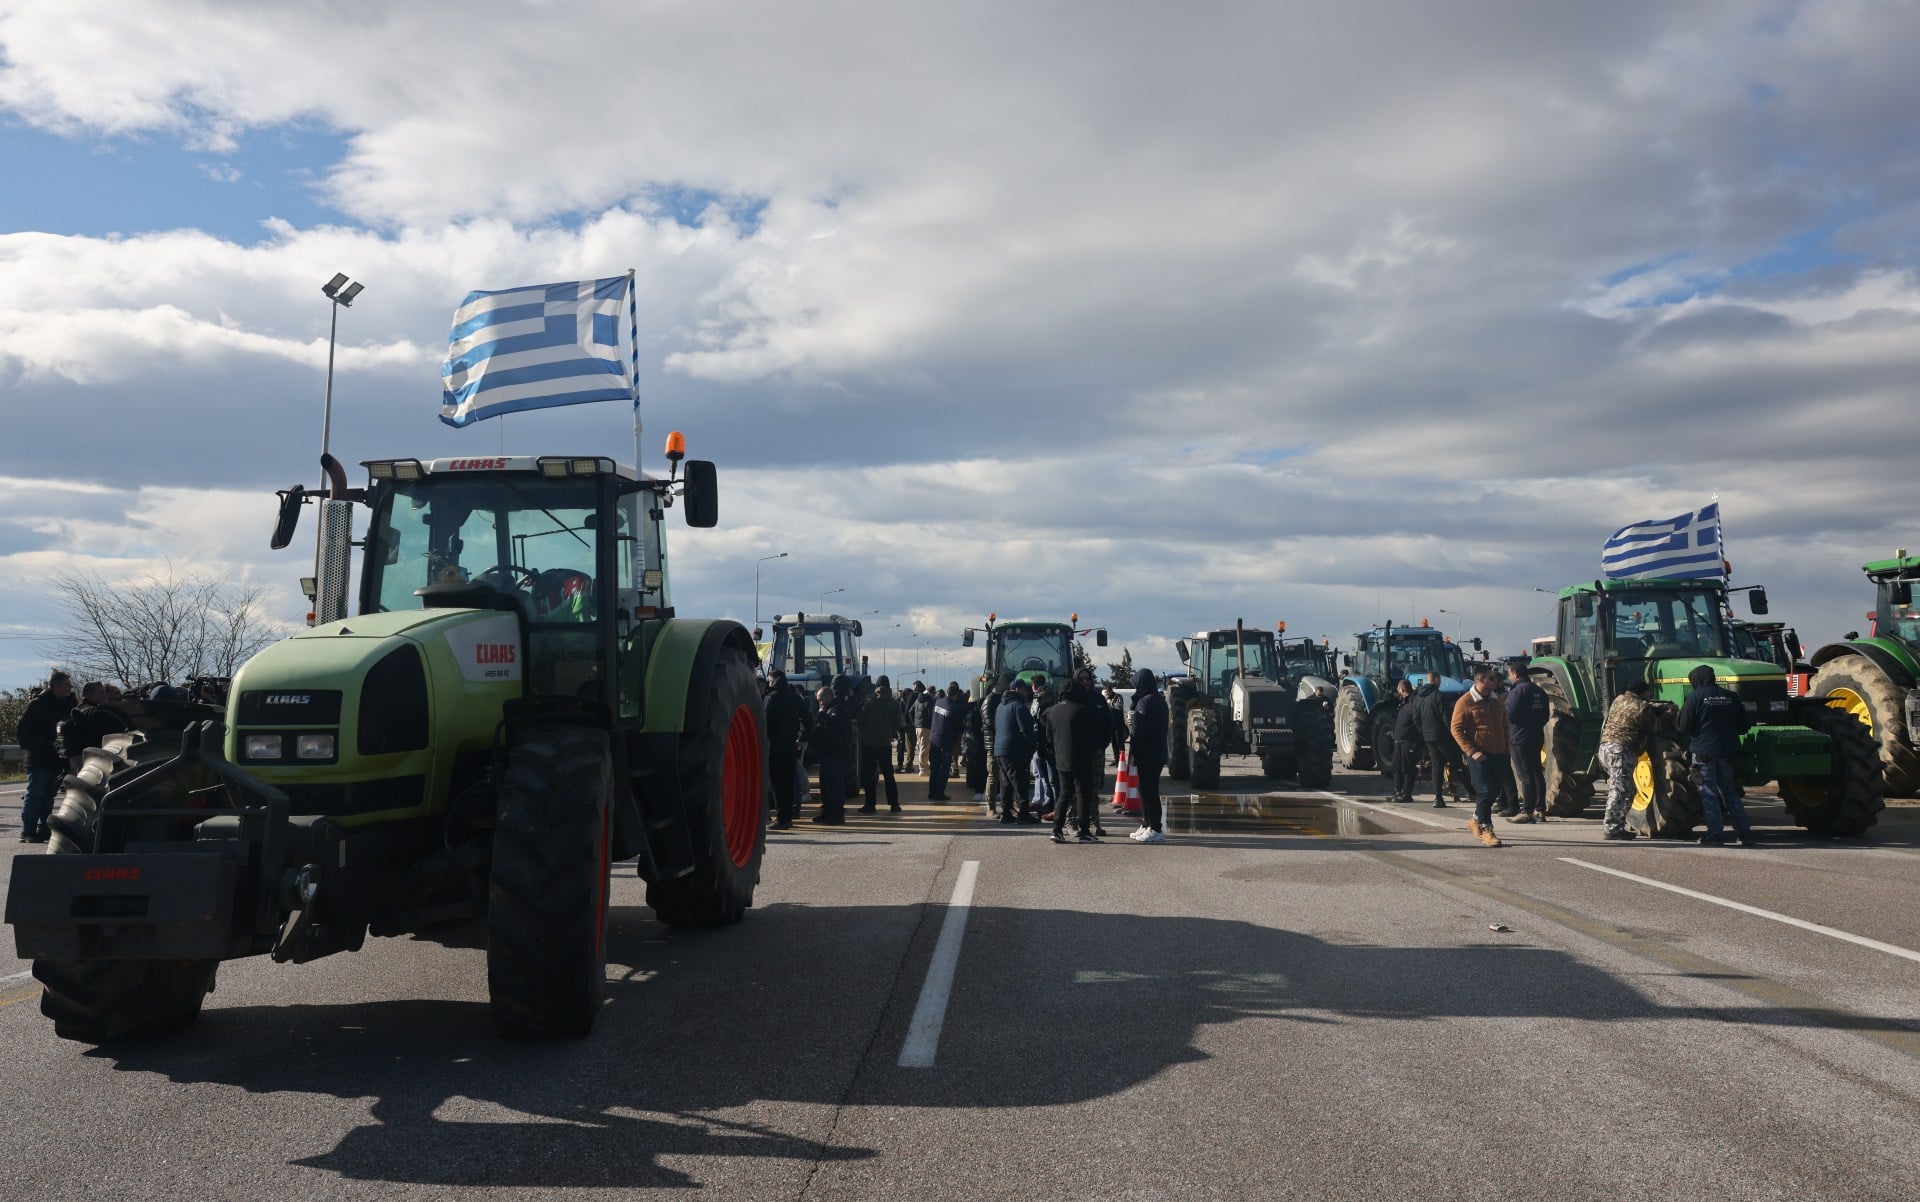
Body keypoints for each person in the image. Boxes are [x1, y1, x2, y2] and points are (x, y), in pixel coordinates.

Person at [1677, 664, 1756, 847]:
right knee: (1730, 791)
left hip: (1704, 753)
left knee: (1708, 793)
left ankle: (1715, 834)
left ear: (1695, 680)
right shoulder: (1731, 697)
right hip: (1728, 752)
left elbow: (1682, 726)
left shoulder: (1694, 698)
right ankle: (1744, 833)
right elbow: (1744, 725)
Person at [1451, 666, 1510, 847]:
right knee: (1484, 790)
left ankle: (1475, 819)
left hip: (1499, 754)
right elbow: (1456, 728)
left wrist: (1507, 750)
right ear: (1480, 680)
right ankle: (1487, 829)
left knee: (1495, 790)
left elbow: (1505, 727)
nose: (1495, 681)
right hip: (1478, 755)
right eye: (1491, 678)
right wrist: (1472, 751)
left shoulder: (1496, 701)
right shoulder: (1466, 701)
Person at [15, 671, 75, 843]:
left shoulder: (68, 703)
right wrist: (32, 748)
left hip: (57, 757)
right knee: (35, 794)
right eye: (66, 684)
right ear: (55, 685)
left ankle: (44, 828)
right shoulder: (39, 704)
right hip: (39, 756)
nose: (70, 687)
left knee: (48, 796)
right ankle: (27, 831)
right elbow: (22, 728)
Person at [1045, 679, 1108, 843]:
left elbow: (1049, 738)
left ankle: (1056, 830)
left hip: (1061, 759)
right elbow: (1094, 735)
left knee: (1064, 793)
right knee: (1083, 794)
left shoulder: (1052, 711)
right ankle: (1084, 831)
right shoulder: (1083, 710)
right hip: (1082, 758)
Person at [1596, 679, 1658, 840]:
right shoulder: (1642, 707)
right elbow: (1652, 726)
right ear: (1642, 692)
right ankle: (1612, 828)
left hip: (1605, 748)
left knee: (1626, 788)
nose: (1650, 694)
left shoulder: (1618, 700)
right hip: (1620, 750)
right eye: (1648, 691)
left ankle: (1616, 825)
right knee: (1620, 789)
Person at [1505, 660, 1550, 824]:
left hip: (1519, 738)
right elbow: (1546, 715)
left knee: (1525, 775)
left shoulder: (1517, 691)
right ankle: (1540, 810)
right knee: (1537, 772)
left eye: (1509, 674)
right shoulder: (1539, 691)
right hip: (1536, 735)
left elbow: (1508, 714)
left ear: (1515, 674)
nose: (1509, 677)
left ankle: (1527, 811)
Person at [1128, 668, 1168, 843]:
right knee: (1145, 790)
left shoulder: (1145, 702)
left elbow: (1141, 731)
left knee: (1149, 791)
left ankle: (1155, 827)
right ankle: (1147, 824)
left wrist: (1134, 749)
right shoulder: (1159, 700)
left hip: (1148, 753)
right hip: (1156, 752)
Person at [762, 670, 806, 829]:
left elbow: (764, 724)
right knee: (788, 782)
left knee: (776, 784)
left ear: (773, 682)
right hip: (790, 746)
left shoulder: (770, 699)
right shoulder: (796, 698)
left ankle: (782, 819)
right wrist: (802, 738)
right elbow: (808, 719)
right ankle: (787, 817)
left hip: (774, 746)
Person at [992, 677, 1037, 824]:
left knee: (1005, 782)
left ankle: (1006, 813)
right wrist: (1031, 747)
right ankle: (1023, 813)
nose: (1026, 692)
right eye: (1025, 689)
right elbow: (1026, 730)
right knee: (1020, 781)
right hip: (1015, 750)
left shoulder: (1000, 706)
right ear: (1018, 689)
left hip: (1000, 749)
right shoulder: (1018, 706)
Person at [1411, 672, 1457, 808]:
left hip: (1428, 737)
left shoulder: (1418, 698)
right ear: (1436, 680)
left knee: (1437, 766)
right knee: (1456, 762)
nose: (1440, 683)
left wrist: (1424, 733)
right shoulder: (1439, 696)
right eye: (1440, 680)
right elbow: (1445, 717)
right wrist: (1452, 733)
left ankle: (1438, 798)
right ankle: (1472, 792)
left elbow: (1416, 719)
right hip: (1442, 736)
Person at [858, 675, 903, 813]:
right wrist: (889, 733)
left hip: (869, 743)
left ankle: (870, 805)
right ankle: (894, 804)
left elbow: (860, 720)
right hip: (885, 744)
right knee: (889, 774)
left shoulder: (868, 700)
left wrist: (865, 733)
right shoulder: (894, 703)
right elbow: (898, 723)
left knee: (869, 775)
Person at [810, 683, 851, 825]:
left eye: (821, 699)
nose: (819, 702)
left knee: (834, 785)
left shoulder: (837, 711)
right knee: (825, 785)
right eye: (818, 699)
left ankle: (837, 814)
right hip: (826, 754)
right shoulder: (828, 711)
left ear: (829, 697)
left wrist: (821, 718)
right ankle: (827, 811)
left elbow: (831, 731)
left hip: (835, 754)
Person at [927, 682, 965, 800]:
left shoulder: (938, 702)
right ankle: (939, 793)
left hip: (934, 739)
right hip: (946, 742)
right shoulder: (955, 708)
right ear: (957, 694)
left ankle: (932, 792)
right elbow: (959, 728)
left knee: (934, 767)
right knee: (944, 768)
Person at [1390, 679, 1422, 803]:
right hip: (1400, 740)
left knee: (1408, 768)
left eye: (1398, 689)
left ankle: (1407, 793)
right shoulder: (1404, 703)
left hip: (1410, 740)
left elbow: (1418, 722)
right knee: (1396, 766)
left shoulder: (1413, 703)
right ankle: (1398, 790)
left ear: (1401, 690)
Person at [909, 682, 933, 774]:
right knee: (924, 748)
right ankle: (923, 769)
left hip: (917, 727)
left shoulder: (917, 700)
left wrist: (915, 723)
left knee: (921, 747)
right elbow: (931, 714)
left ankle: (922, 767)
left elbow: (910, 712)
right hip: (926, 727)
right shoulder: (929, 701)